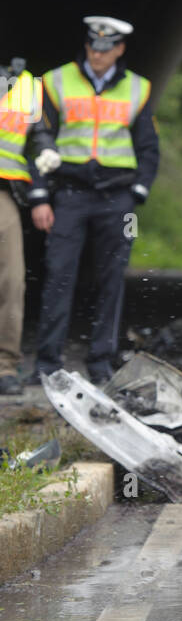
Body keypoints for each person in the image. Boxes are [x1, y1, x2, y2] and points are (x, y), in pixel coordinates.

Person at [29, 16, 159, 385]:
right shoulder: (56, 82)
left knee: (111, 280)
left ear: (119, 49)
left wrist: (138, 192)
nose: (97, 54)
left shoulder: (138, 88)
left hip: (116, 196)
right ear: (86, 45)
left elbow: (148, 147)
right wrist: (40, 195)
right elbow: (39, 140)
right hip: (69, 193)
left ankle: (101, 363)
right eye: (92, 47)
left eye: (105, 48)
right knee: (58, 276)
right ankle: (47, 365)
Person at [0, 58, 45, 393]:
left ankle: (5, 366)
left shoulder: (27, 85)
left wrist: (46, 154)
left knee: (13, 282)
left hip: (5, 194)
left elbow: (42, 134)